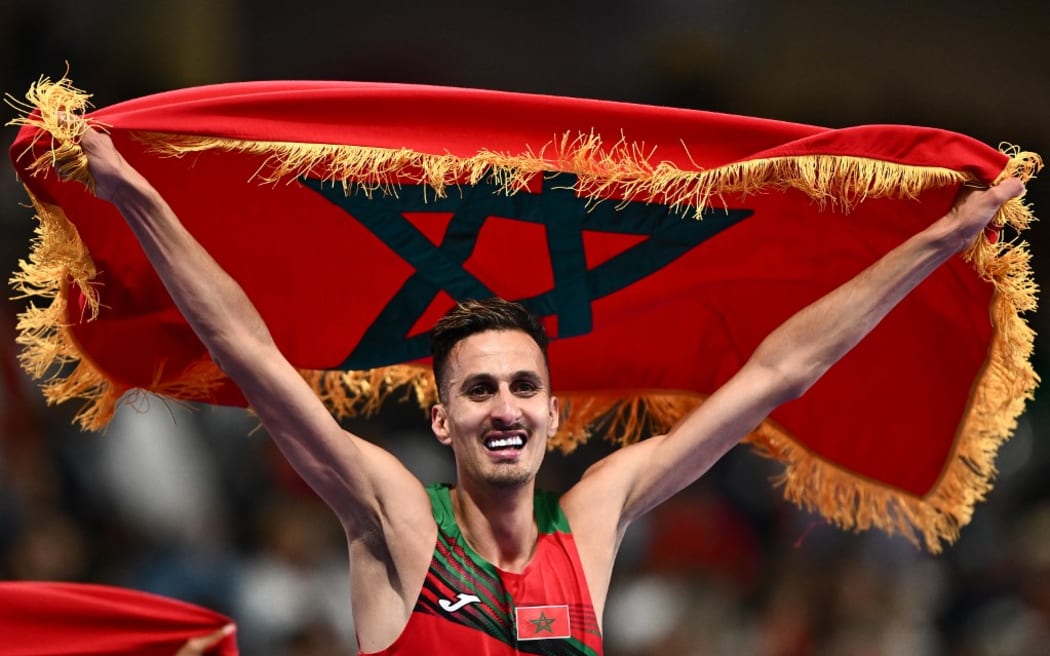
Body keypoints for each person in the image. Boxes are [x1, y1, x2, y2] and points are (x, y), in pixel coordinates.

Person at [70, 123, 1024, 655]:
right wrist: (139, 198)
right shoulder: (397, 519)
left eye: (524, 385)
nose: (505, 406)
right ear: (441, 417)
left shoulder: (596, 523)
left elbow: (776, 372)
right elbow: (251, 355)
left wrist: (936, 243)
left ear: (553, 411)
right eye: (478, 389)